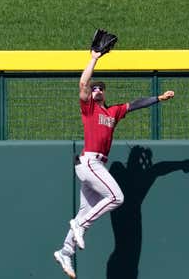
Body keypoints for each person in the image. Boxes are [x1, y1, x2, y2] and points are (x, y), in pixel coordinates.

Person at [53, 48, 175, 279]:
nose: (96, 90)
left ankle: (65, 251)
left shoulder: (113, 111)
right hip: (90, 162)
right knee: (117, 197)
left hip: (96, 166)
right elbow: (82, 83)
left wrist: (158, 98)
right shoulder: (89, 108)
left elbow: (135, 104)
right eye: (94, 88)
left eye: (100, 89)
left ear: (105, 93)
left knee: (84, 211)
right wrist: (94, 59)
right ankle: (79, 227)